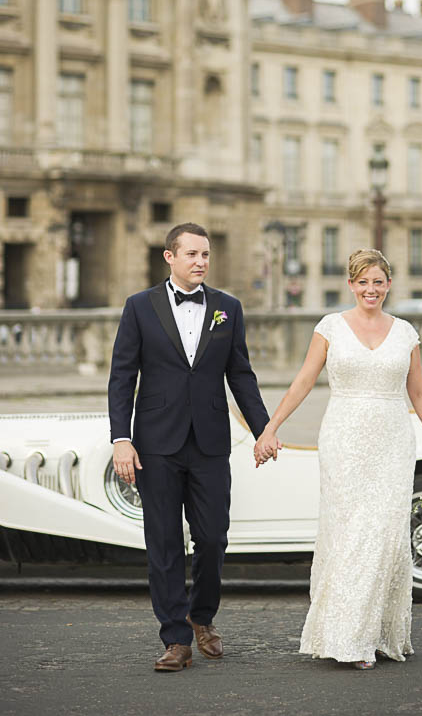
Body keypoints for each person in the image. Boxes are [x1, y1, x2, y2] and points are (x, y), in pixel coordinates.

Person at [254, 249, 422, 669]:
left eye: (378, 282)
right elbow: (304, 381)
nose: (371, 289)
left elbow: (418, 392)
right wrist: (271, 428)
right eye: (363, 282)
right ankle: (347, 636)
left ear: (388, 285)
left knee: (384, 535)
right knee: (349, 535)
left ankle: (378, 633)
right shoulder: (330, 327)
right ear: (351, 285)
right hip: (344, 439)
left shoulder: (405, 333)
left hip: (392, 441)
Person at [108, 223, 277, 672]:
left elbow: (240, 374)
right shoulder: (139, 307)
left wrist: (264, 428)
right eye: (192, 254)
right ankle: (175, 639)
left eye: (206, 255)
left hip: (209, 442)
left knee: (212, 538)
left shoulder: (228, 308)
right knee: (162, 541)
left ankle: (201, 617)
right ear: (170, 257)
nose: (201, 261)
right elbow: (122, 377)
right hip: (155, 445)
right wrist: (120, 438)